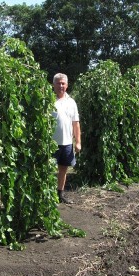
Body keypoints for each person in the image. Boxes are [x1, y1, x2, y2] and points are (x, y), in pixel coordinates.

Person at [52, 73, 81, 204]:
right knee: (47, 169)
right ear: (53, 85)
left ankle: (60, 194)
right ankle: (47, 194)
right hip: (51, 143)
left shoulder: (71, 102)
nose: (61, 85)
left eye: (63, 83)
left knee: (63, 169)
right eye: (58, 83)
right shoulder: (48, 100)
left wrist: (78, 142)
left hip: (67, 142)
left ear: (67, 85)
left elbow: (76, 124)